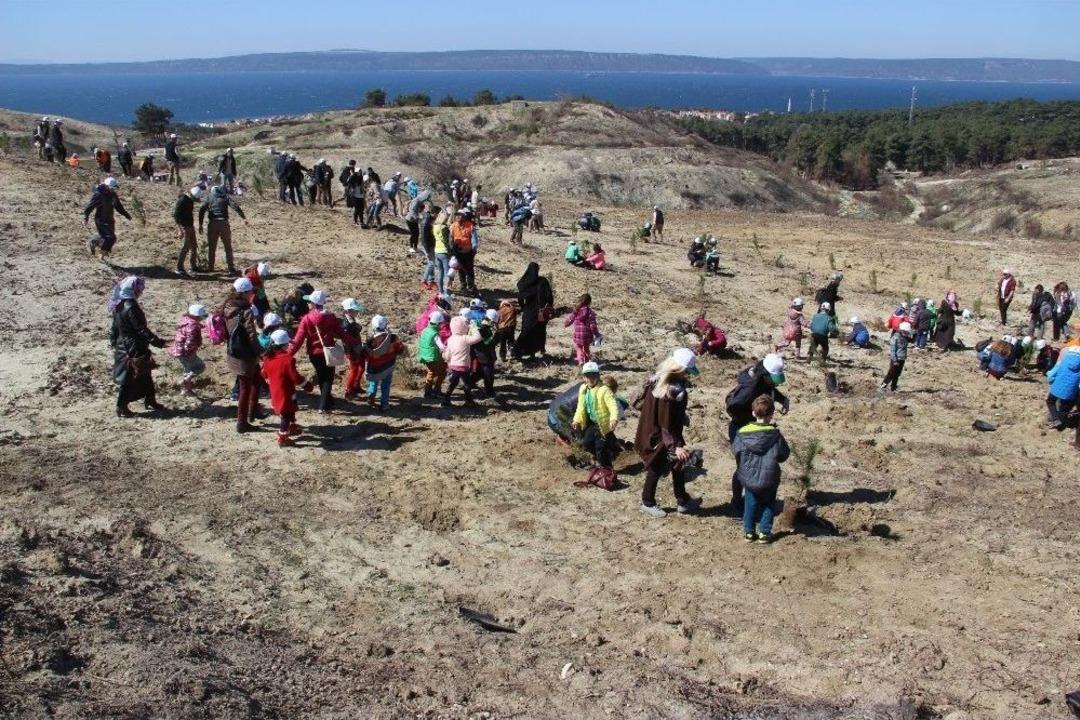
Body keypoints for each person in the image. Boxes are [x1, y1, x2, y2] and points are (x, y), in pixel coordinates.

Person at [635, 348, 701, 518]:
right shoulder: (672, 390)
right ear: (679, 369)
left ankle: (683, 500)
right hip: (661, 435)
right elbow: (666, 422)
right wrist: (675, 446)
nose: (688, 375)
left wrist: (682, 415)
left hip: (653, 428)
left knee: (678, 465)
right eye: (687, 371)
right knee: (657, 467)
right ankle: (647, 502)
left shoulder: (658, 379)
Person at [726, 353, 789, 511]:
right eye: (773, 378)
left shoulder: (763, 381)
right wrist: (750, 419)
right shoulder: (749, 388)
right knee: (744, 467)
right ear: (765, 374)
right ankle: (737, 502)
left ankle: (750, 499)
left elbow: (769, 388)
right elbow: (732, 406)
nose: (775, 383)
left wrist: (783, 399)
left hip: (754, 429)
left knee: (755, 467)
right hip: (742, 430)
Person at [733, 395, 791, 543]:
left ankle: (749, 532)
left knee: (750, 503)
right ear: (771, 415)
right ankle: (764, 533)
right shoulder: (775, 435)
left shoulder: (742, 432)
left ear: (753, 413)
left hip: (749, 476)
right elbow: (784, 455)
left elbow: (735, 451)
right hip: (770, 477)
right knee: (768, 504)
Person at [109, 277, 167, 417]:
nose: (141, 291)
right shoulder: (131, 306)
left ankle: (150, 400)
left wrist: (114, 342)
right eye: (140, 288)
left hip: (124, 345)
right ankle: (121, 406)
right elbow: (140, 329)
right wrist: (158, 342)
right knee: (131, 377)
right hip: (133, 347)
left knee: (144, 374)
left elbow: (115, 328)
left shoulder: (119, 304)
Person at [288, 289, 345, 414]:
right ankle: (323, 405)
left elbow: (298, 340)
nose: (308, 304)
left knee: (321, 377)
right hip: (329, 351)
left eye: (309, 302)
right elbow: (341, 333)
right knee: (328, 379)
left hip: (314, 353)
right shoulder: (331, 317)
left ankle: (328, 401)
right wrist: (353, 342)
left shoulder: (307, 319)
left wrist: (288, 354)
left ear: (313, 303)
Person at [262, 328, 315, 446]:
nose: (288, 346)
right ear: (283, 345)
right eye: (287, 344)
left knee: (290, 409)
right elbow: (295, 378)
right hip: (285, 392)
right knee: (286, 414)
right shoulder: (287, 360)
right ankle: (283, 436)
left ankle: (292, 427)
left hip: (276, 392)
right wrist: (307, 385)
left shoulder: (268, 358)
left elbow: (264, 374)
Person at [223, 277, 262, 432]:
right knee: (245, 387)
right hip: (246, 354)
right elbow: (251, 334)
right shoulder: (246, 310)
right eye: (251, 291)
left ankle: (253, 411)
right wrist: (260, 351)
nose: (253, 293)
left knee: (256, 380)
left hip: (233, 351)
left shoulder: (228, 307)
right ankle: (242, 422)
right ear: (245, 293)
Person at [572, 361, 620, 472]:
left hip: (603, 425)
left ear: (598, 376)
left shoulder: (604, 390)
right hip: (592, 423)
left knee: (600, 448)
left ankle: (607, 469)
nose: (591, 378)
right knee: (587, 444)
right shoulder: (583, 389)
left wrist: (613, 418)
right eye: (588, 376)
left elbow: (613, 405)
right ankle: (605, 457)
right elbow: (581, 407)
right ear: (584, 377)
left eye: (594, 375)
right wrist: (576, 420)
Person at [198, 185, 247, 275]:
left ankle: (210, 267)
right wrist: (243, 218)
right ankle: (231, 268)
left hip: (212, 224)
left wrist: (200, 224)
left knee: (212, 247)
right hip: (224, 223)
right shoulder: (224, 196)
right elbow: (235, 206)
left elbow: (201, 210)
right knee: (228, 247)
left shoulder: (209, 197)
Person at [84, 176, 131, 261]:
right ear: (106, 186)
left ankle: (94, 242)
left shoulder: (113, 195)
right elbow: (90, 207)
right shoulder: (99, 195)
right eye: (112, 188)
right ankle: (101, 255)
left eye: (114, 188)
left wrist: (126, 215)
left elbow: (118, 206)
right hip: (101, 220)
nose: (113, 190)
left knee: (106, 238)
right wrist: (86, 217)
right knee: (111, 237)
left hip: (110, 219)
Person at [514, 262, 554, 360]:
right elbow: (549, 297)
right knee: (538, 332)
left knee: (526, 331)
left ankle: (518, 352)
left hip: (529, 312)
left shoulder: (525, 282)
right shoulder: (543, 281)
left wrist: (523, 307)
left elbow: (520, 296)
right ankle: (534, 352)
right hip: (541, 313)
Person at [365, 315, 405, 411]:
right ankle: (385, 405)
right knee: (386, 385)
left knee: (373, 382)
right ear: (386, 325)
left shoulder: (370, 340)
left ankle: (371, 397)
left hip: (374, 367)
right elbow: (400, 349)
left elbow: (366, 355)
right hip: (389, 366)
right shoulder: (393, 337)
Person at [442, 315, 482, 407]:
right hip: (464, 366)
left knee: (454, 383)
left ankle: (446, 400)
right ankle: (469, 401)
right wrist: (473, 327)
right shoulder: (465, 338)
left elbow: (448, 353)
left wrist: (446, 358)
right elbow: (478, 337)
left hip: (454, 365)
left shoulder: (450, 339)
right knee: (467, 384)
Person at [169, 303, 207, 396]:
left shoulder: (185, 320)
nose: (202, 319)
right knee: (200, 367)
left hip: (177, 349)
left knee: (187, 369)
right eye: (200, 317)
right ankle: (185, 381)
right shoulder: (193, 326)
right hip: (185, 351)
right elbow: (190, 341)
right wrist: (189, 352)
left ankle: (186, 390)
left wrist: (202, 326)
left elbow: (191, 327)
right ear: (196, 316)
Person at [1045, 348, 1080, 430]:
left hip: (1056, 389)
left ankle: (1056, 419)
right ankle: (1060, 424)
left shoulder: (1063, 361)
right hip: (1070, 392)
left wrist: (1051, 380)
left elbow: (1051, 375)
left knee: (1050, 402)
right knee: (1065, 408)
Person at [339, 298, 367, 401]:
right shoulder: (347, 324)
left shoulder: (351, 320)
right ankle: (349, 391)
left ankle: (356, 386)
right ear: (348, 311)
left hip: (357, 348)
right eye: (355, 310)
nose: (357, 311)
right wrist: (351, 353)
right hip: (352, 350)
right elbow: (347, 340)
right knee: (354, 370)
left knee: (361, 367)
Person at [173, 185, 204, 275]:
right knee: (185, 247)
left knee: (194, 247)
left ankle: (193, 267)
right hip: (184, 226)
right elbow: (176, 216)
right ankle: (179, 268)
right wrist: (180, 230)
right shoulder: (182, 200)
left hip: (190, 226)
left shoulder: (190, 200)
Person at [418, 310, 448, 400]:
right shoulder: (435, 334)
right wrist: (449, 348)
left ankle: (428, 392)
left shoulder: (425, 330)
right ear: (438, 323)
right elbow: (442, 347)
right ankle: (435, 390)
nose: (442, 325)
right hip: (433, 357)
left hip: (425, 356)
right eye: (441, 323)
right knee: (442, 372)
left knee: (430, 372)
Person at [565, 294, 601, 364]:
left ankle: (581, 360)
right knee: (586, 349)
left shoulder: (576, 311)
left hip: (578, 335)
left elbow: (570, 319)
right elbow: (592, 325)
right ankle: (587, 362)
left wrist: (566, 324)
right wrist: (596, 334)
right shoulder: (590, 312)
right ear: (589, 303)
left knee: (579, 347)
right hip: (587, 336)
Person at [473, 309, 500, 398]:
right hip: (486, 356)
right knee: (488, 375)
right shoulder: (485, 329)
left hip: (479, 354)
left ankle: (469, 383)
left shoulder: (479, 325)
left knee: (479, 373)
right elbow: (489, 343)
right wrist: (497, 336)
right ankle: (489, 392)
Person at [451, 208, 479, 294]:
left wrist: (474, 248)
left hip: (468, 252)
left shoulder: (470, 225)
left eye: (460, 215)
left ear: (464, 217)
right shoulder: (453, 226)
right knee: (461, 269)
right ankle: (463, 285)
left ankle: (471, 286)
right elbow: (450, 238)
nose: (458, 217)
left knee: (470, 269)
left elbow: (474, 239)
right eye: (457, 215)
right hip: (458, 252)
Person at [881, 321, 912, 391]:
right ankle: (883, 385)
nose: (908, 332)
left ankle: (893, 387)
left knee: (897, 374)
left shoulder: (905, 337)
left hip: (902, 358)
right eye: (907, 331)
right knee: (891, 373)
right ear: (903, 330)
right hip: (896, 359)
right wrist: (895, 360)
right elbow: (893, 350)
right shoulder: (895, 338)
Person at [432, 205, 452, 294]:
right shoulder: (444, 228)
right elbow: (446, 241)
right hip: (444, 252)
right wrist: (450, 252)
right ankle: (446, 291)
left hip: (437, 250)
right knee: (447, 273)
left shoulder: (435, 226)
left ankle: (440, 290)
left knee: (440, 272)